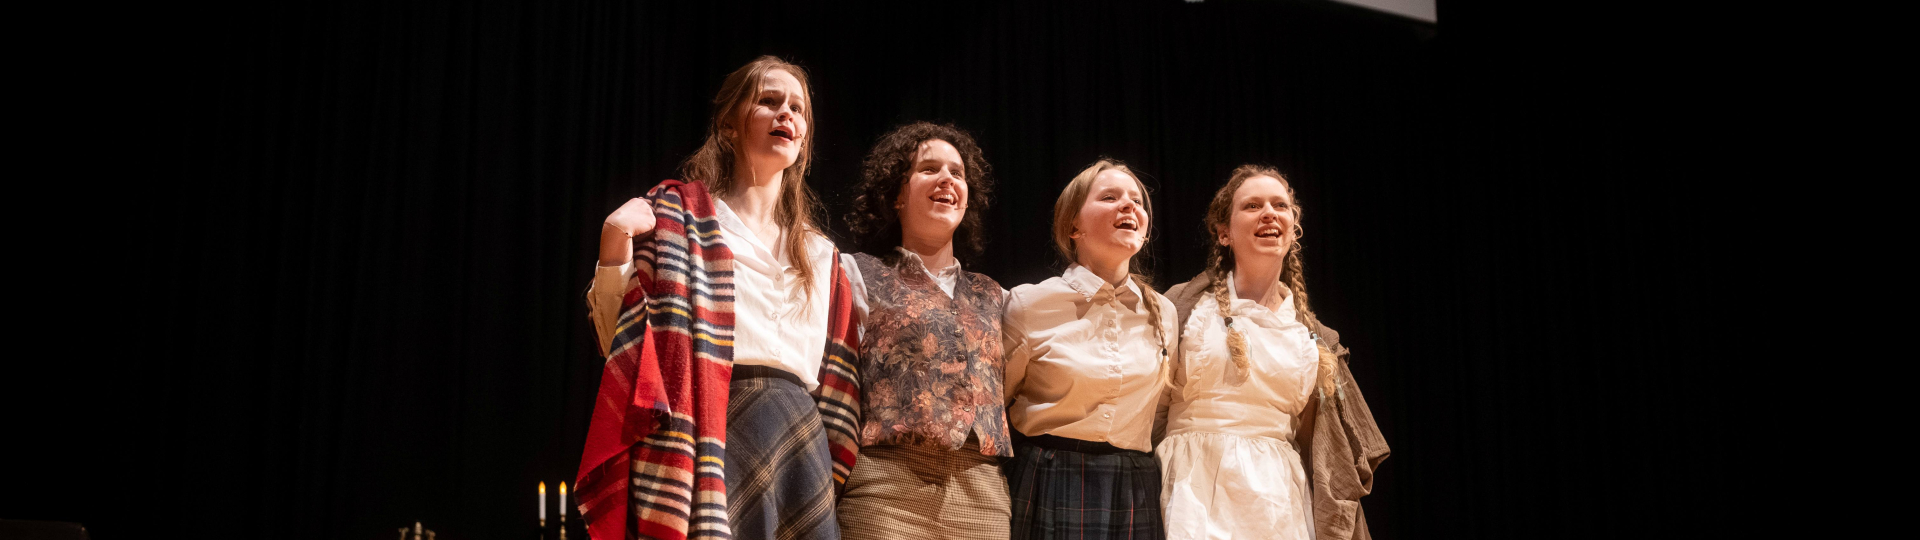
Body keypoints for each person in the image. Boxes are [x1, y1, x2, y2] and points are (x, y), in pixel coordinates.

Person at [575, 55, 861, 540]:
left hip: (800, 443)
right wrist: (614, 241)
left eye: (797, 108)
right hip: (712, 428)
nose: (785, 114)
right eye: (768, 101)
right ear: (729, 125)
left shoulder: (822, 255)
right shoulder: (678, 220)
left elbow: (839, 388)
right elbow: (620, 346)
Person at [1158, 165, 1389, 540]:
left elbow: (1324, 444)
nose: (1269, 213)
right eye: (1252, 205)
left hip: (1277, 499)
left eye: (1279, 205)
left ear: (1293, 228)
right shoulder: (1182, 306)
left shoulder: (1313, 336)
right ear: (1224, 233)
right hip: (1189, 486)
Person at [833, 121, 1013, 540]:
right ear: (897, 194)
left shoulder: (995, 295)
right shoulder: (856, 274)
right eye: (929, 168)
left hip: (981, 494)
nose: (947, 179)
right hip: (886, 491)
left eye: (958, 172)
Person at [1001, 159, 1176, 540]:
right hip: (1050, 477)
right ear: (1073, 226)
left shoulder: (1164, 313)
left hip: (1132, 484)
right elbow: (997, 402)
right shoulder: (1029, 304)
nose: (1129, 206)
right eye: (1110, 197)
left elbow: (1159, 411)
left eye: (1137, 201)